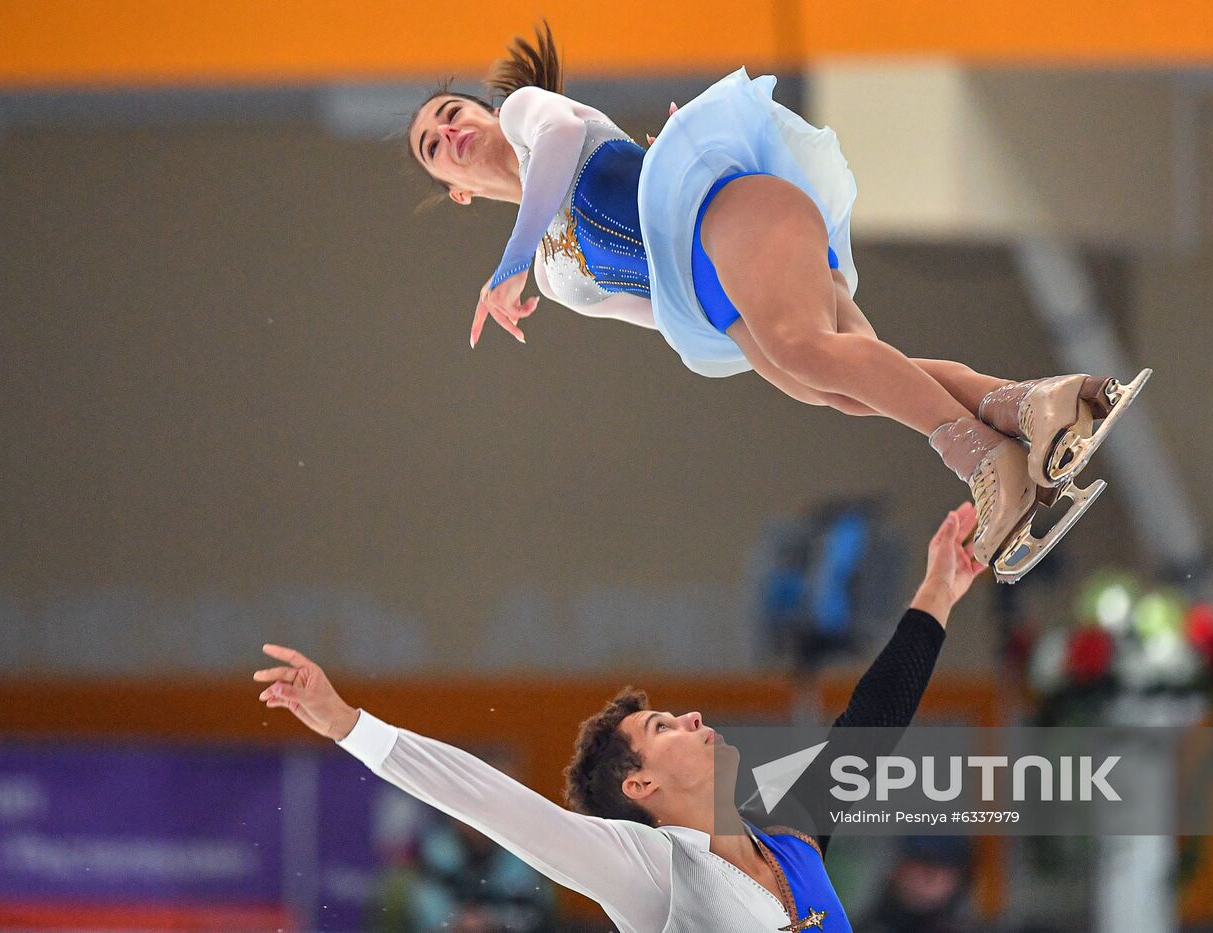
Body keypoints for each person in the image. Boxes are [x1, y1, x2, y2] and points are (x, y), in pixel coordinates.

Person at [404, 22, 1150, 582]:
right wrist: (744, 337)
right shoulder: (551, 274)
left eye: (448, 113)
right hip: (717, 289)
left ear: (480, 110)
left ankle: (986, 463)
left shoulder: (528, 115)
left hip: (728, 211)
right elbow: (658, 310)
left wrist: (506, 265)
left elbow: (567, 138)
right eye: (432, 146)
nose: (448, 131)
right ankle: (1037, 405)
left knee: (810, 353)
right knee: (835, 384)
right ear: (457, 191)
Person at [256, 504, 986, 932]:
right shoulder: (651, 871)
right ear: (637, 788)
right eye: (663, 727)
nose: (691, 715)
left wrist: (938, 590)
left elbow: (870, 722)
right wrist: (351, 724)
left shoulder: (793, 836)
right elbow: (494, 802)